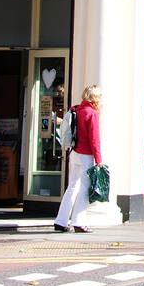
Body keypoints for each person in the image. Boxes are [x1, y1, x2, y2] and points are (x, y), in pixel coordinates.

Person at [54, 85, 102, 233]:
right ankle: (79, 222)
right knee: (85, 189)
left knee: (72, 187)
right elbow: (94, 139)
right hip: (86, 155)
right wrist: (99, 160)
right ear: (95, 97)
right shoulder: (91, 113)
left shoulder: (75, 109)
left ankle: (60, 221)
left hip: (74, 153)